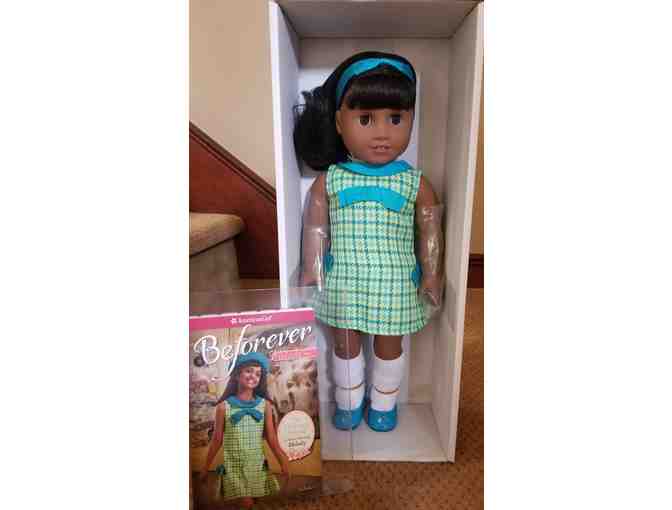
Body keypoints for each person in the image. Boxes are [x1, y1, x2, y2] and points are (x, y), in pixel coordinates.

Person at [294, 51, 444, 432]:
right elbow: (315, 226)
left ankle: (383, 404)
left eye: (396, 119)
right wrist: (312, 267)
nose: (382, 133)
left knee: (389, 346)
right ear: (339, 123)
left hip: (394, 283)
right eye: (365, 119)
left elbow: (430, 229)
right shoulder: (331, 180)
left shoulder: (414, 183)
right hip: (344, 280)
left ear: (411, 119)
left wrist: (431, 274)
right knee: (345, 345)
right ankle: (348, 401)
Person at [201, 352, 290, 509]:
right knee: (246, 502)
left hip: (256, 464)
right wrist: (205, 467)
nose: (253, 376)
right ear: (236, 375)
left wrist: (282, 461)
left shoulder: (265, 405)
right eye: (248, 371)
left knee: (254, 500)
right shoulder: (223, 407)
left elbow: (271, 437)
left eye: (258, 374)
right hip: (234, 466)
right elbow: (216, 440)